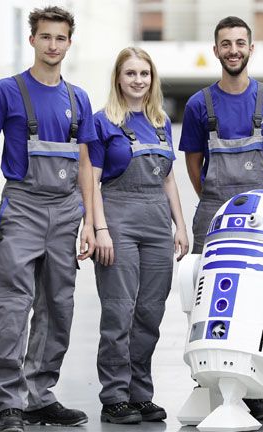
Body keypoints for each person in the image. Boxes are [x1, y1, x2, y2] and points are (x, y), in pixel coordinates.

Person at [0, 6, 97, 432]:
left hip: (65, 211)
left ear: (69, 43)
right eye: (46, 37)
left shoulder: (78, 98)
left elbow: (84, 164)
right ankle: (9, 403)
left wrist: (89, 221)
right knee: (12, 305)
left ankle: (39, 396)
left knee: (58, 307)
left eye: (61, 38)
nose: (53, 45)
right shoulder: (8, 91)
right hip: (22, 208)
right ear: (33, 40)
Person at [179, 16, 263, 421]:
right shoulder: (199, 105)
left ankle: (252, 390)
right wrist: (214, 197)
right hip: (213, 211)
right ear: (215, 50)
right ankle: (208, 381)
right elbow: (194, 164)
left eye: (239, 43)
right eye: (225, 44)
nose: (233, 50)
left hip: (262, 213)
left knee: (257, 301)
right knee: (209, 299)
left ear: (251, 48)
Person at [88, 47, 188, 425]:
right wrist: (100, 229)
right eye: (130, 73)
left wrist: (180, 224)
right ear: (118, 78)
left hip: (157, 222)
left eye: (144, 74)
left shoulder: (160, 121)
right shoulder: (101, 122)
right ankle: (114, 395)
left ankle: (140, 392)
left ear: (152, 78)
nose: (138, 80)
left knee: (150, 311)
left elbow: (167, 178)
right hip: (117, 219)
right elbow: (91, 182)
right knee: (119, 310)